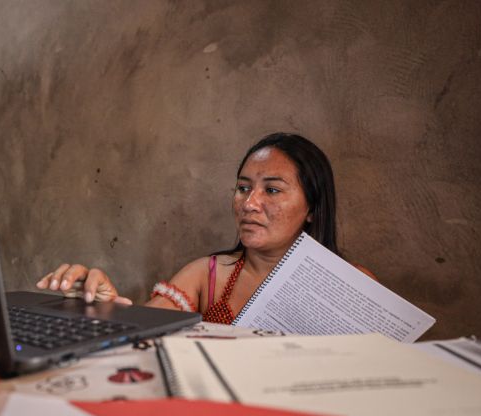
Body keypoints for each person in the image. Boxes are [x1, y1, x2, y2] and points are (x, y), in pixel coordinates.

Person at [36, 132, 375, 324]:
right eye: (243, 188)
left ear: (312, 209)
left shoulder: (354, 284)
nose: (249, 203)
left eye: (271, 190)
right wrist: (103, 306)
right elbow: (139, 328)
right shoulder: (205, 275)